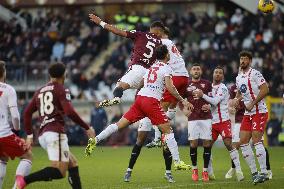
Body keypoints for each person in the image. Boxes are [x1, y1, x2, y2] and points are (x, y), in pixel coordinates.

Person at [85, 45, 192, 174]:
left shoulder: (151, 68)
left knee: (119, 124)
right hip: (151, 102)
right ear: (167, 55)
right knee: (168, 130)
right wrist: (183, 100)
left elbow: (141, 83)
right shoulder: (167, 68)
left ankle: (95, 140)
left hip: (140, 100)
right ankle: (178, 162)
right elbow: (171, 87)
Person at [123, 27, 191, 183]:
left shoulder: (163, 65)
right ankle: (129, 170)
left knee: (165, 138)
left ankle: (168, 172)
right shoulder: (153, 67)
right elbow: (142, 85)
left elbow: (169, 87)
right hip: (146, 106)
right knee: (140, 140)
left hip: (154, 107)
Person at [16, 63, 95, 189]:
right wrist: (87, 127)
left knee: (72, 163)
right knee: (59, 171)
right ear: (64, 75)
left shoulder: (39, 91)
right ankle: (24, 181)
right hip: (55, 133)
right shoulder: (61, 89)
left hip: (44, 135)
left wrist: (30, 135)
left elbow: (26, 113)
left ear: (49, 75)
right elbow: (69, 112)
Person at [89, 14, 164, 107]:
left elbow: (118, 31)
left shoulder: (140, 34)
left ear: (151, 29)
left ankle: (116, 98)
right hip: (149, 75)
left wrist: (101, 22)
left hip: (137, 69)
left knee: (119, 87)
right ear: (159, 32)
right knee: (142, 99)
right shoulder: (161, 44)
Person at [193, 66, 244, 181]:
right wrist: (206, 106)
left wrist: (203, 96)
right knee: (207, 147)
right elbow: (209, 104)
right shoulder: (208, 87)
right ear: (213, 74)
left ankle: (239, 171)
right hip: (212, 123)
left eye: (220, 73)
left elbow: (215, 101)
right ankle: (210, 173)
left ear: (223, 76)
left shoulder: (223, 88)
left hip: (223, 121)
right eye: (216, 72)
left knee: (228, 144)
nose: (218, 74)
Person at [145, 27, 189, 148]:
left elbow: (155, 58)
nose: (151, 36)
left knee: (158, 109)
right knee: (171, 107)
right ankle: (166, 127)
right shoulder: (170, 42)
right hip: (184, 77)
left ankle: (158, 138)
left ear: (159, 33)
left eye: (152, 33)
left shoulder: (162, 43)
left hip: (175, 76)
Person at [232, 50, 269, 184]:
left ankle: (264, 172)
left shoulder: (255, 73)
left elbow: (265, 89)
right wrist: (236, 100)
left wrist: (253, 103)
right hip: (248, 113)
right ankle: (254, 173)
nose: (242, 61)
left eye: (245, 59)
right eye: (241, 58)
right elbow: (241, 92)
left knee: (257, 140)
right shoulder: (238, 76)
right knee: (243, 142)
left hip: (259, 110)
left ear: (250, 61)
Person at [226, 84, 273, 180]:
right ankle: (235, 168)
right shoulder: (233, 87)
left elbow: (263, 89)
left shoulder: (252, 82)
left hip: (256, 115)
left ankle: (267, 170)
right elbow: (230, 102)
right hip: (240, 120)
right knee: (235, 146)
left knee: (259, 143)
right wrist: (232, 106)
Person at [0, 61, 33, 189]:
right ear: (4, 72)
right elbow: (14, 115)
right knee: (28, 156)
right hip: (4, 133)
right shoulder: (8, 89)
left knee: (2, 159)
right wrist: (17, 131)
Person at [185, 63, 212, 182]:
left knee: (207, 144)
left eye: (198, 69)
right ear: (190, 72)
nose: (196, 71)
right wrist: (184, 109)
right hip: (193, 118)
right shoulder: (186, 85)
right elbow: (180, 99)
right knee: (193, 144)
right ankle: (195, 169)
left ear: (201, 71)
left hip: (206, 117)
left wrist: (209, 105)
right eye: (194, 69)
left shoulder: (207, 84)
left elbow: (212, 98)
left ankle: (205, 171)